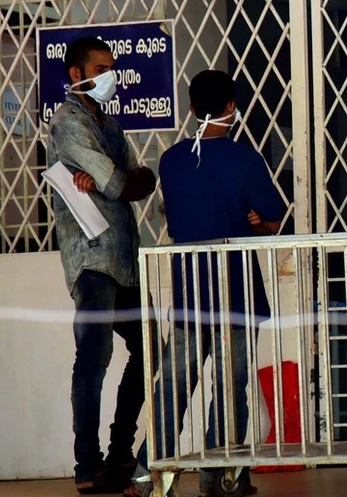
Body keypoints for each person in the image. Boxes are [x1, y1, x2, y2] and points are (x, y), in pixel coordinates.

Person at [127, 70, 284, 497]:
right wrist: (254, 221)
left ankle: (146, 474)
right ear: (232, 107)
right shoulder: (246, 160)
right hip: (236, 292)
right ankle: (220, 475)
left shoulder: (172, 160)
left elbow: (177, 221)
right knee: (231, 387)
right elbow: (271, 217)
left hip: (189, 292)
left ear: (193, 109)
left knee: (174, 385)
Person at [47, 36, 157, 495]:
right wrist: (118, 179)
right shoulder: (69, 122)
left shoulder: (108, 123)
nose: (111, 76)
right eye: (102, 67)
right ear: (77, 73)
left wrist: (119, 179)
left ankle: (119, 453)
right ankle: (87, 466)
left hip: (122, 258)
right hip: (92, 258)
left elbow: (143, 179)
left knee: (150, 348)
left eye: (112, 67)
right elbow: (121, 184)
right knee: (93, 360)